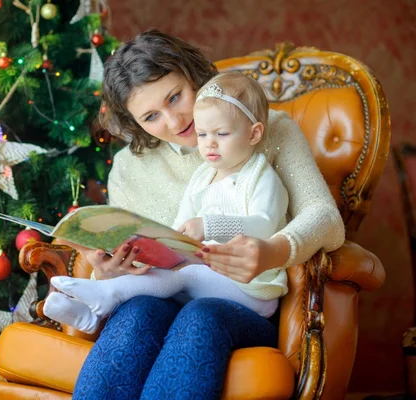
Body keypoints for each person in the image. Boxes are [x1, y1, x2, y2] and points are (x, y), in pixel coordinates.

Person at [64, 30, 345, 399]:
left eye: (175, 96)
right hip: (161, 299)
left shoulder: (269, 130)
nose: (175, 120)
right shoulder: (128, 169)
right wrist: (110, 269)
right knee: (136, 314)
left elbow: (326, 217)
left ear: (193, 74)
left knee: (200, 317)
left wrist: (274, 251)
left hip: (244, 304)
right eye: (151, 116)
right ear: (135, 124)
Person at [44, 71, 290, 334]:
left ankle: (106, 297)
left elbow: (265, 226)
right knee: (171, 273)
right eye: (204, 134)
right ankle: (90, 309)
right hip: (209, 279)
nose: (209, 145)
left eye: (222, 134)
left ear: (254, 135)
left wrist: (209, 226)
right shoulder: (202, 177)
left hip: (253, 289)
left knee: (186, 274)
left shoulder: (261, 176)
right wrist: (162, 247)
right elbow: (178, 228)